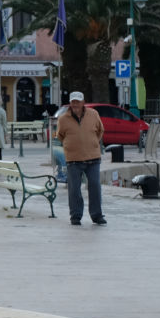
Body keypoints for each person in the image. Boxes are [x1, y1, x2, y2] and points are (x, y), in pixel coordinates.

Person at [54, 91, 106, 226]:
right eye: (73, 102)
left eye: (78, 101)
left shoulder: (93, 114)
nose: (75, 104)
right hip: (73, 159)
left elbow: (100, 130)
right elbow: (60, 135)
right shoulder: (63, 119)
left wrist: (93, 142)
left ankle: (97, 215)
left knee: (95, 186)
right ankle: (75, 216)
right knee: (74, 189)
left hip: (93, 157)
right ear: (70, 103)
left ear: (83, 103)